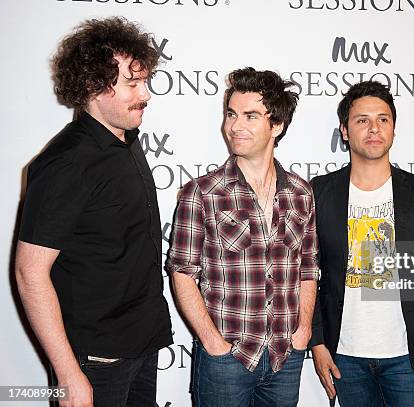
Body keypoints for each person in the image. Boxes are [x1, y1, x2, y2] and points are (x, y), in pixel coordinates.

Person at [15, 17, 172, 407]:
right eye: (132, 84)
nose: (146, 94)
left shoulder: (127, 138)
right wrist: (68, 373)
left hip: (141, 343)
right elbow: (29, 271)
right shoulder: (66, 164)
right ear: (92, 86)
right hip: (96, 361)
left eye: (146, 81)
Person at [165, 67, 318, 407]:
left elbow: (308, 267)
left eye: (250, 116)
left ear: (276, 125)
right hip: (226, 358)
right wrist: (213, 343)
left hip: (285, 356)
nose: (234, 126)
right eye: (231, 114)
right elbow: (181, 273)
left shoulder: (301, 193)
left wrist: (302, 331)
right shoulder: (202, 193)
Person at [309, 81, 414, 407]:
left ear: (393, 129)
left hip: (409, 357)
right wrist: (317, 343)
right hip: (344, 357)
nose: (374, 128)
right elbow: (307, 276)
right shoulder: (321, 192)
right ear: (345, 131)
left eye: (383, 119)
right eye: (362, 120)